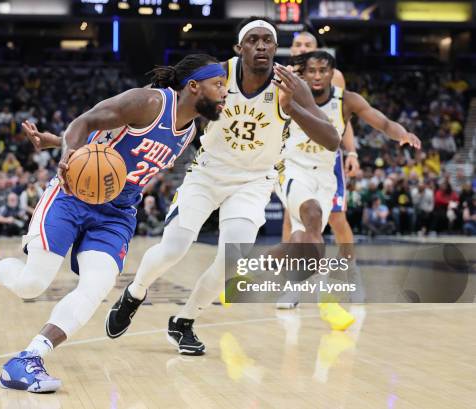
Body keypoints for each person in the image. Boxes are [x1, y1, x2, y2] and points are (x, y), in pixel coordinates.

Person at [0, 54, 228, 392]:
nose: (225, 92)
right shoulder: (148, 102)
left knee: (98, 285)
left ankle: (29, 358)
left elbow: (107, 153)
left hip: (117, 212)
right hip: (73, 196)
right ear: (194, 86)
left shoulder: (191, 131)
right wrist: (64, 153)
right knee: (32, 283)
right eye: (219, 84)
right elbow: (85, 123)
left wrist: (53, 139)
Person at [105, 17, 340, 355]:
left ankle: (184, 321)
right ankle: (135, 292)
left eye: (268, 41)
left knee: (232, 261)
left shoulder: (290, 85)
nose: (261, 46)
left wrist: (293, 109)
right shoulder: (217, 75)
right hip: (208, 172)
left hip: (254, 181)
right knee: (174, 248)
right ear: (239, 48)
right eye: (253, 40)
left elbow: (331, 139)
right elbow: (176, 105)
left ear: (275, 48)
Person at [272, 51, 420, 326]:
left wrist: (402, 134)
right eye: (312, 71)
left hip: (328, 172)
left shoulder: (345, 100)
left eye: (323, 71)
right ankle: (310, 290)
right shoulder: (289, 91)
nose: (317, 76)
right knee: (309, 221)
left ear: (333, 74)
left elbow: (382, 122)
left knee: (319, 230)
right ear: (303, 74)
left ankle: (347, 274)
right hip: (292, 168)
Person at [279, 31, 363, 311]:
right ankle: (292, 285)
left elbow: (344, 119)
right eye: (298, 44)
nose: (302, 48)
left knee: (338, 217)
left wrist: (351, 152)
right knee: (293, 220)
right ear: (291, 50)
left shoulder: (333, 77)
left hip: (327, 159)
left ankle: (351, 273)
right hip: (294, 158)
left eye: (308, 45)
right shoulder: (285, 76)